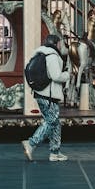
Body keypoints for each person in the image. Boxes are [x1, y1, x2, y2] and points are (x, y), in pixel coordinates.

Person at [22, 34, 71, 162]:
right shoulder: (52, 56)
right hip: (49, 94)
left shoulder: (38, 54)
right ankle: (31, 143)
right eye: (60, 43)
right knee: (51, 121)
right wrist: (67, 75)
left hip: (40, 93)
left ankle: (55, 152)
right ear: (56, 43)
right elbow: (56, 76)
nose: (61, 46)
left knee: (55, 122)